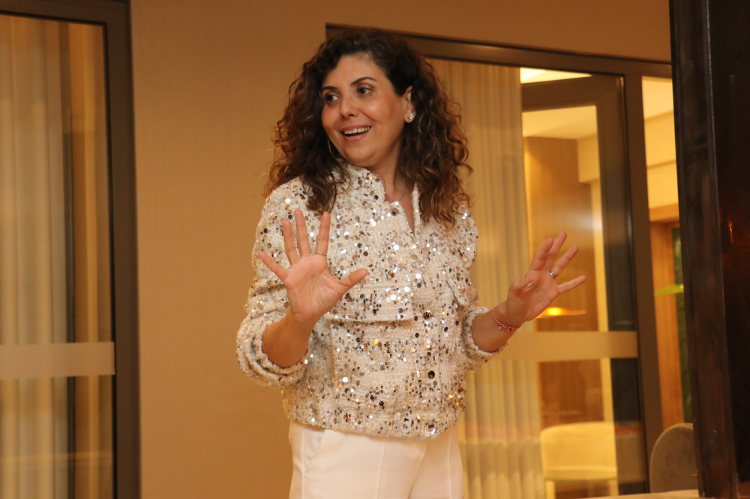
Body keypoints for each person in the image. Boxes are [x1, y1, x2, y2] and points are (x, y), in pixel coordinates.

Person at [236, 28, 586, 499]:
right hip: (348, 444)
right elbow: (259, 358)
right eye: (331, 97)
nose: (345, 110)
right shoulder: (300, 205)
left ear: (409, 103)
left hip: (441, 443)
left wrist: (510, 314)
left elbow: (460, 345)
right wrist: (300, 319)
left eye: (364, 90)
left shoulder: (446, 210)